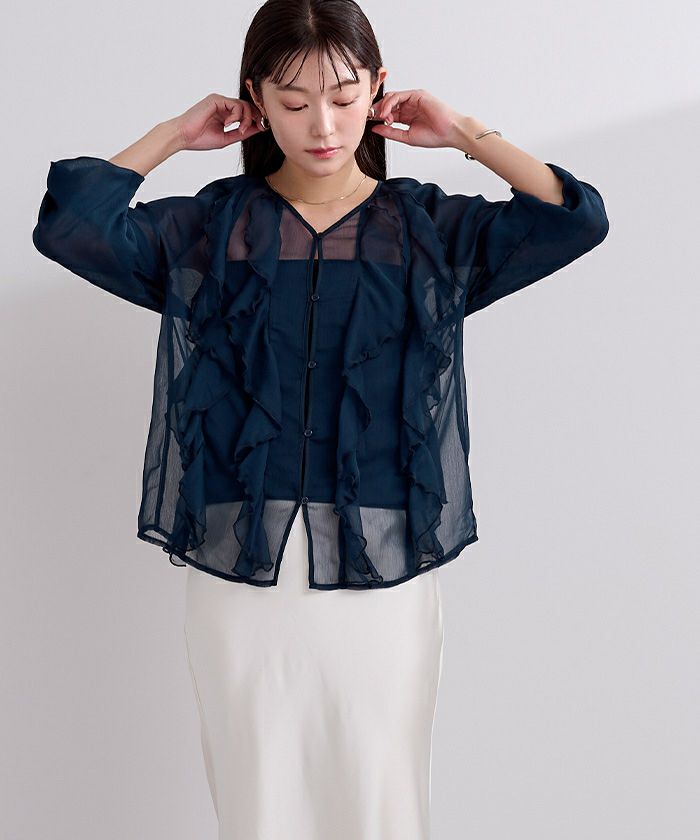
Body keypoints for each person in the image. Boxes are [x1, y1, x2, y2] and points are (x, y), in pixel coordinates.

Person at [31, 0, 609, 836]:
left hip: (382, 571)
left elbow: (574, 217)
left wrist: (464, 132)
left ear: (378, 89)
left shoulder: (429, 232)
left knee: (379, 801)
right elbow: (70, 226)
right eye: (295, 102)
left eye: (342, 97)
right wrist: (173, 135)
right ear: (256, 101)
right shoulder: (209, 230)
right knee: (259, 803)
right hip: (240, 574)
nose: (323, 125)